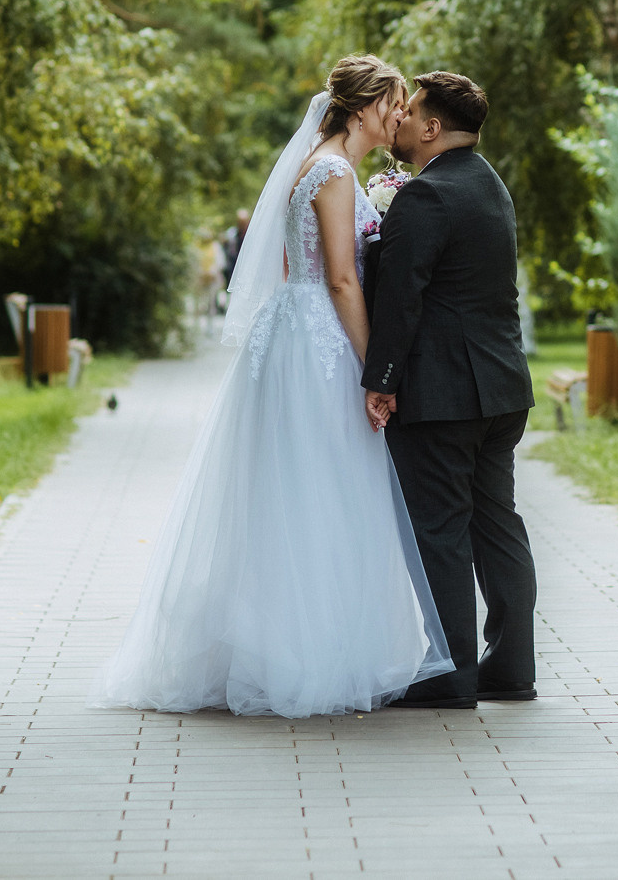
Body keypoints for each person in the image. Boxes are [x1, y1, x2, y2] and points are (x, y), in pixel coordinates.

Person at [89, 56, 452, 717]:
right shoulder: (337, 173)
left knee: (290, 490)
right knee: (323, 489)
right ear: (367, 106)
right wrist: (379, 371)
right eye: (395, 104)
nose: (400, 116)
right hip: (320, 343)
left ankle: (276, 644)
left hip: (291, 334)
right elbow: (341, 279)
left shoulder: (317, 162)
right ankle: (308, 653)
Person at [362, 72, 539, 709]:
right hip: (501, 389)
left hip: (443, 395)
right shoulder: (490, 185)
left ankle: (449, 674)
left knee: (440, 530)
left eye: (408, 113)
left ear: (432, 128)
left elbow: (401, 302)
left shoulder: (426, 197)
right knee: (497, 524)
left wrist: (380, 382)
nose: (400, 122)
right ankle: (511, 666)